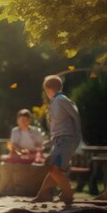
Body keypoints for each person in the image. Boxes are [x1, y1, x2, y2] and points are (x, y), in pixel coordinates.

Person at [32, 75, 82, 205]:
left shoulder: (61, 100)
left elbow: (75, 115)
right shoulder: (56, 101)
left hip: (66, 139)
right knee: (54, 169)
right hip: (60, 140)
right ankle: (43, 195)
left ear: (48, 89)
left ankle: (68, 192)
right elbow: (59, 125)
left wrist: (76, 136)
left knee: (53, 168)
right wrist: (50, 140)